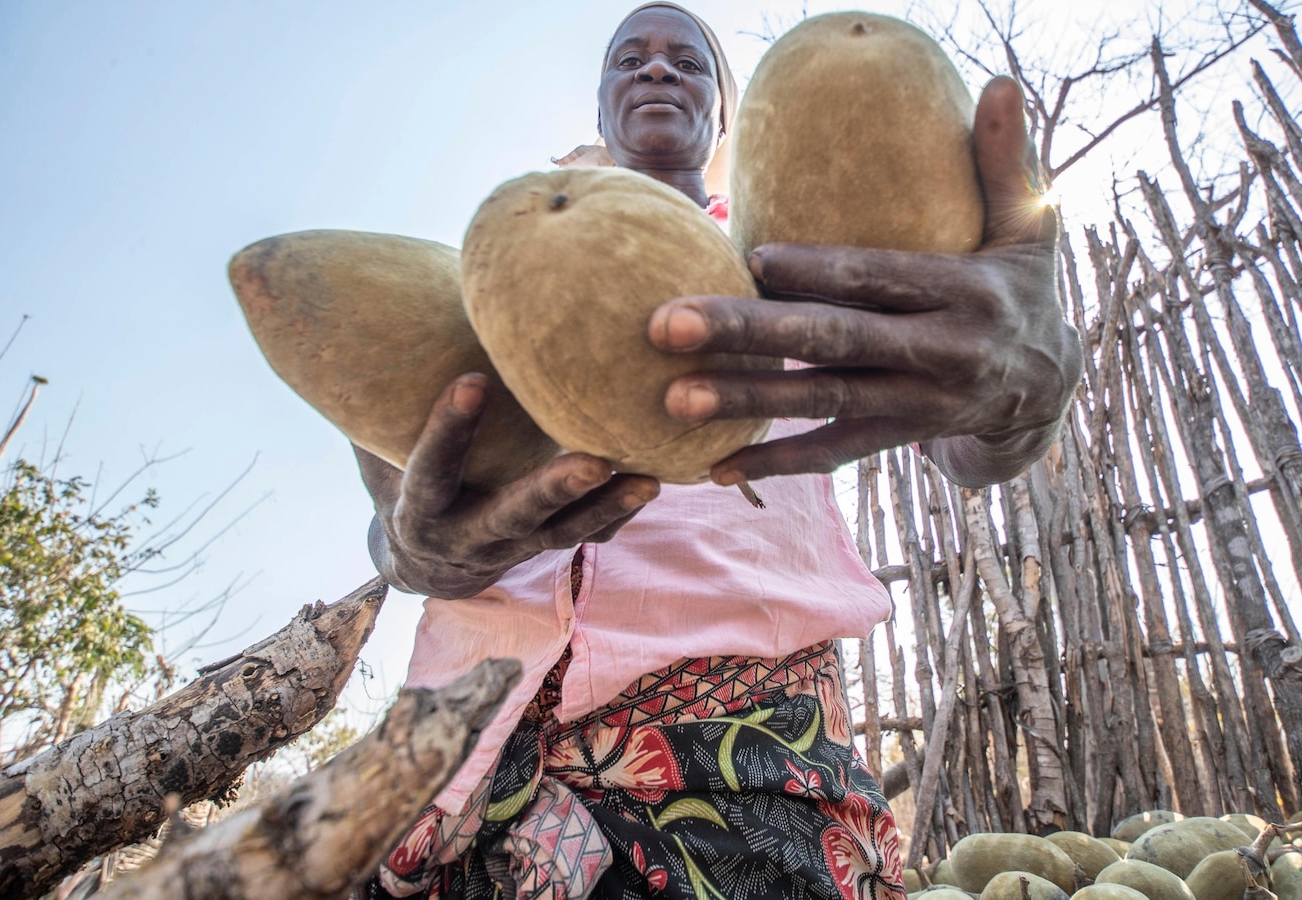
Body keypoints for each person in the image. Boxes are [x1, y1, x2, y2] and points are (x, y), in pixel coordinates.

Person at [353, 4, 1079, 898]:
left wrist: (1018, 409)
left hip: (745, 758)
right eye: (631, 56)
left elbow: (964, 443)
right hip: (446, 761)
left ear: (725, 115)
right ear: (600, 101)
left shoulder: (799, 264)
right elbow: (402, 527)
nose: (658, 70)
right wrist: (409, 551)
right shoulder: (494, 277)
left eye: (688, 61)